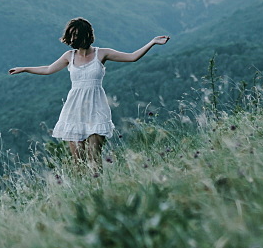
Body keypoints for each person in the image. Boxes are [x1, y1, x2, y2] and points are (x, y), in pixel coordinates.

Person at [9, 18, 170, 163]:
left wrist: (153, 42)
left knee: (94, 158)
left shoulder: (102, 53)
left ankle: (98, 190)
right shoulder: (69, 56)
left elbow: (132, 57)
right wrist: (24, 69)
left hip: (97, 109)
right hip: (74, 110)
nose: (74, 38)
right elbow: (48, 69)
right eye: (72, 35)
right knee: (78, 161)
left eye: (78, 34)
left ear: (87, 35)